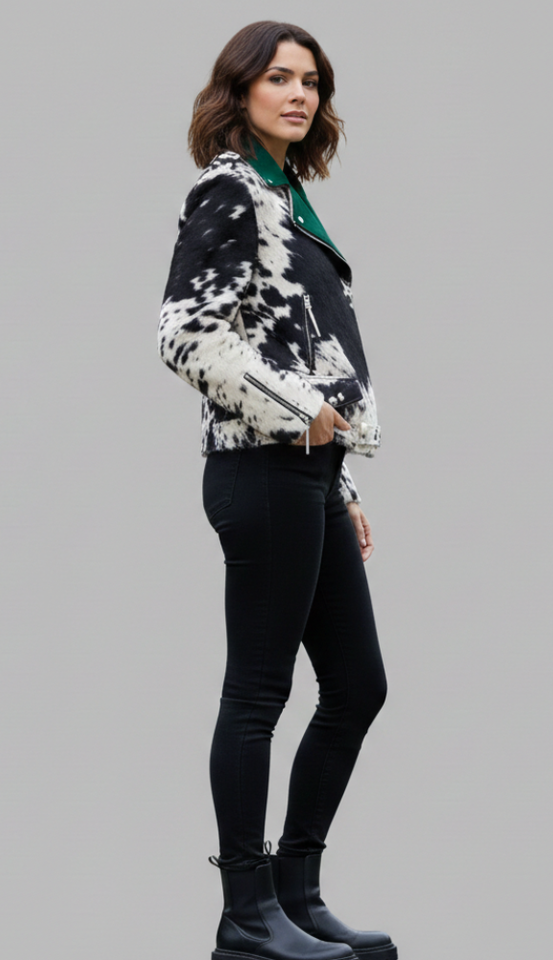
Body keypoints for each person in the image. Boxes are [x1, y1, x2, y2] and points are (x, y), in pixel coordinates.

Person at [158, 21, 395, 960]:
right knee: (258, 691)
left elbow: (299, 345)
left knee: (358, 686)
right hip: (258, 468)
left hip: (309, 474)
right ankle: (245, 916)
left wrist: (341, 476)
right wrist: (304, 415)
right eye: (279, 78)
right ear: (240, 90)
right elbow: (187, 335)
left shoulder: (287, 197)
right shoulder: (228, 188)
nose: (299, 94)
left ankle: (296, 893)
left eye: (311, 81)